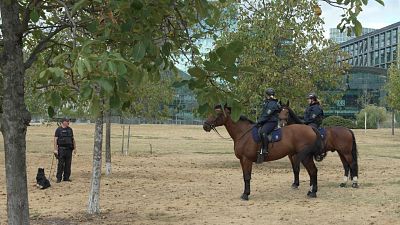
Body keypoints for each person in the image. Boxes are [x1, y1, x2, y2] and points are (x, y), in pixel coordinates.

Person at [256, 88, 281, 163]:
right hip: (266, 121)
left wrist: (260, 121)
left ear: (268, 95)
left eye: (266, 95)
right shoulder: (267, 102)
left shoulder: (273, 104)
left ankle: (265, 149)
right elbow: (263, 114)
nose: (265, 96)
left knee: (263, 132)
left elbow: (267, 114)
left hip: (271, 122)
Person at [53, 118, 76, 183]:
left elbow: (73, 139)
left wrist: (75, 148)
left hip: (69, 149)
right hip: (61, 149)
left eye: (68, 121)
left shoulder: (70, 129)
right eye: (67, 121)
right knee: (60, 164)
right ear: (63, 122)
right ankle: (59, 178)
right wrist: (55, 149)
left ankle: (66, 178)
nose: (68, 122)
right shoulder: (58, 129)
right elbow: (55, 139)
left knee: (68, 164)